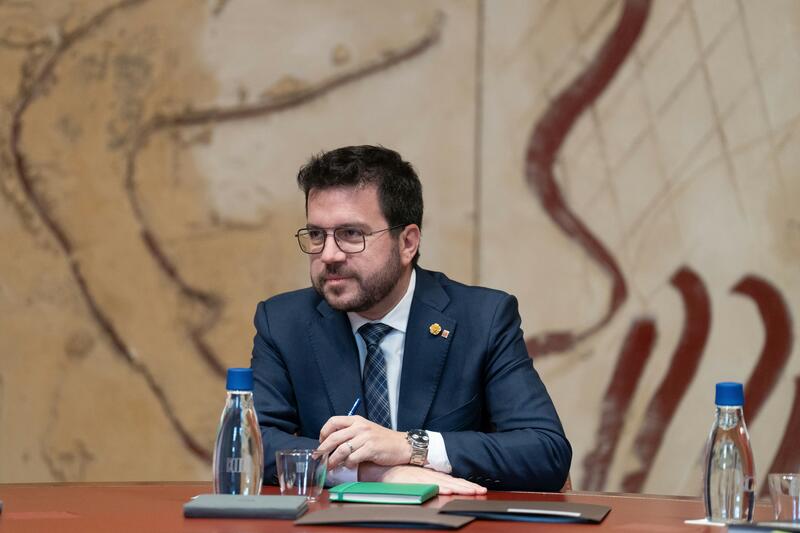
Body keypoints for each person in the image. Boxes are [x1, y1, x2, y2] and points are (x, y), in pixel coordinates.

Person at [250, 145, 571, 494]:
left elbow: (545, 452)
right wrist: (374, 473)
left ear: (407, 243)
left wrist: (412, 446)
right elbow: (254, 443)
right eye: (317, 235)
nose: (328, 255)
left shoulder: (482, 319)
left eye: (351, 234)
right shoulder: (283, 323)